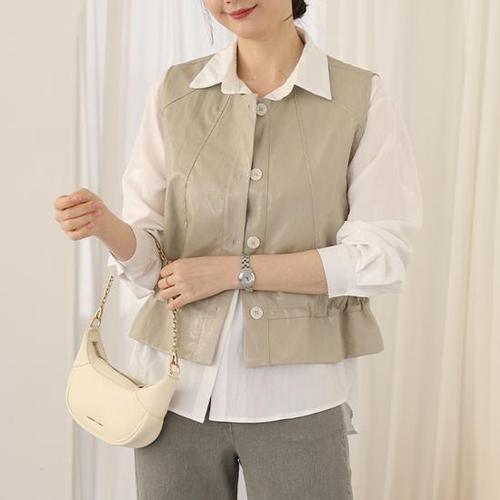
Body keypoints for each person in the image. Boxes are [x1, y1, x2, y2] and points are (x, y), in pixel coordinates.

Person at [54, 0, 423, 498]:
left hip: (298, 396)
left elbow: (380, 257)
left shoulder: (359, 97)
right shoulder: (174, 92)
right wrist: (107, 227)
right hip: (172, 397)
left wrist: (236, 271)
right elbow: (153, 265)